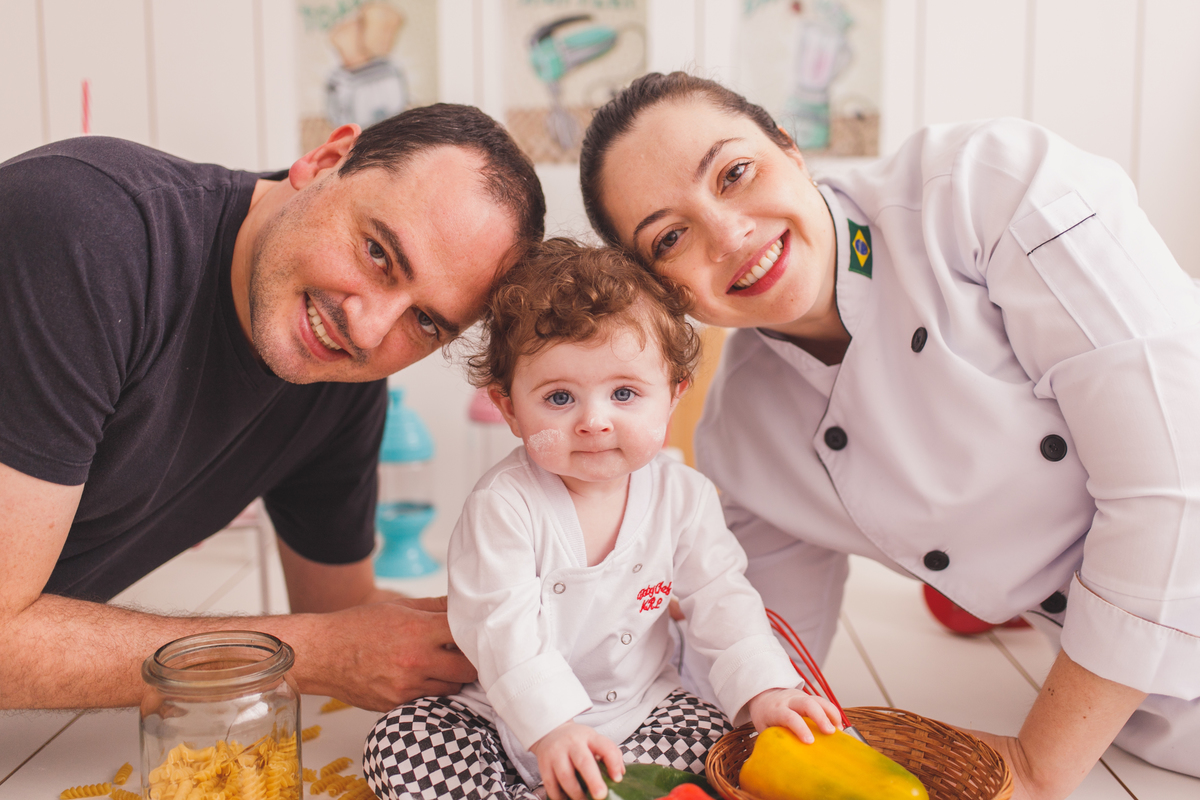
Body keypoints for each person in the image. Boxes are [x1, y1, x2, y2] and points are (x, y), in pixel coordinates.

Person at [576, 72, 1200, 798]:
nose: (729, 234)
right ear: (661, 288)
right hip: (1150, 716)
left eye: (735, 173)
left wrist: (1039, 765)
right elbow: (762, 655)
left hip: (1097, 709)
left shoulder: (985, 189)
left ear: (790, 147)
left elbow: (1176, 478)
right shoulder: (747, 433)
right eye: (670, 237)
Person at [0, 103, 545, 712]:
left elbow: (341, 613)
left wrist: (520, 636)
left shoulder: (339, 387)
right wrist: (313, 654)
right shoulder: (87, 231)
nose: (367, 331)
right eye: (377, 253)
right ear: (325, 160)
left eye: (424, 322)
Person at [362, 239, 843, 800]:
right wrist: (552, 727)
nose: (594, 421)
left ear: (673, 395)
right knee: (397, 741)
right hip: (497, 715)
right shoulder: (504, 504)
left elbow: (722, 599)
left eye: (624, 393)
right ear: (509, 408)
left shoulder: (683, 496)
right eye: (559, 398)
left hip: (638, 712)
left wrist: (766, 690)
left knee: (712, 740)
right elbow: (499, 625)